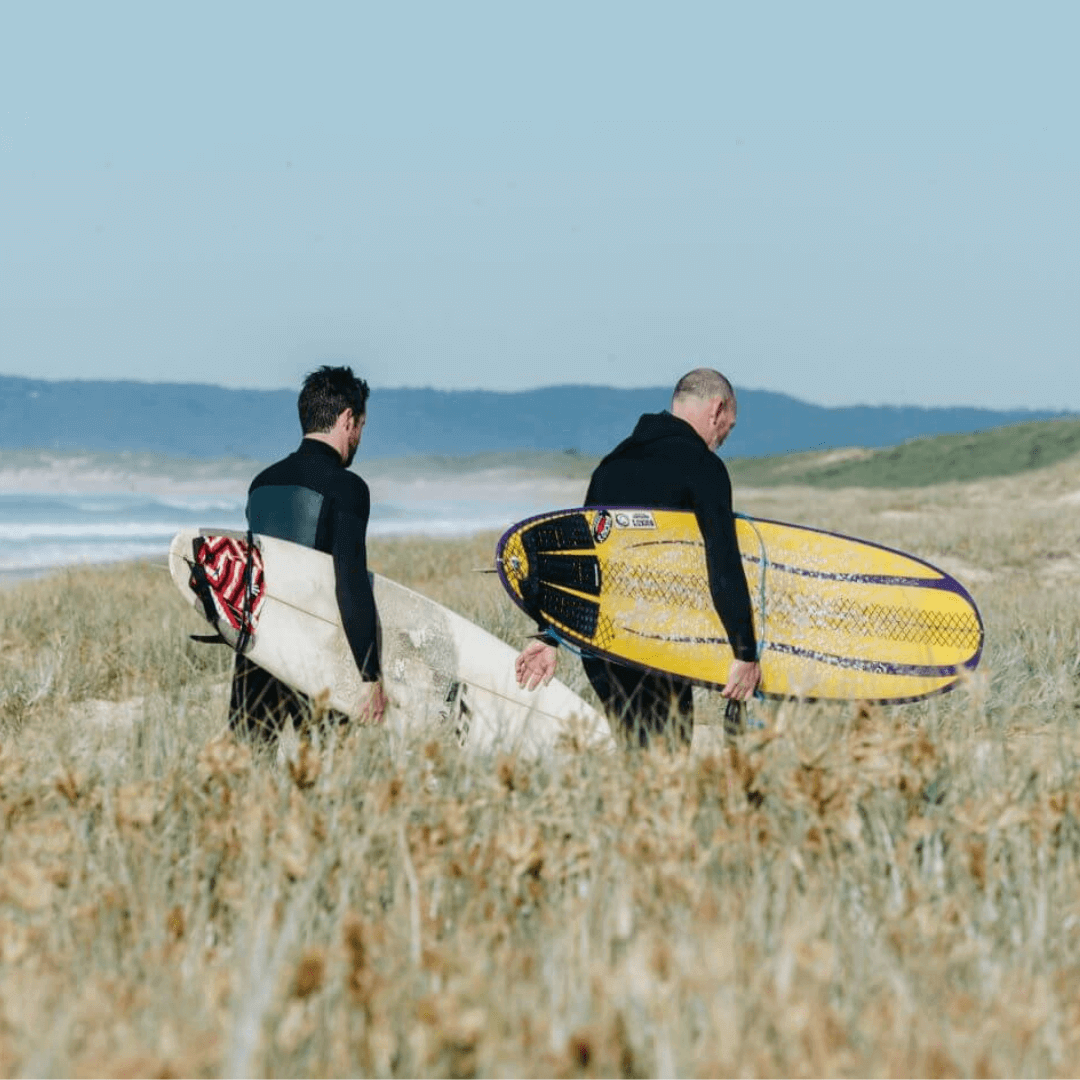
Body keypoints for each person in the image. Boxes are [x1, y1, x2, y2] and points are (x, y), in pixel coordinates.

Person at [515, 368, 760, 749]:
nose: (723, 439)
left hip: (603, 647)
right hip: (654, 640)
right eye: (728, 427)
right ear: (717, 409)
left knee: (637, 753)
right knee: (666, 757)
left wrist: (550, 635)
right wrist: (744, 652)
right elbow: (722, 562)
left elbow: (583, 559)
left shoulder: (612, 464)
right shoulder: (702, 466)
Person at [229, 365, 386, 742]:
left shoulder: (261, 484)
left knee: (248, 763)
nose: (360, 437)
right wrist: (370, 675)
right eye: (361, 425)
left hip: (257, 653)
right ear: (347, 419)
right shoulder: (347, 488)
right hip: (317, 656)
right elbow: (350, 583)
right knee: (323, 765)